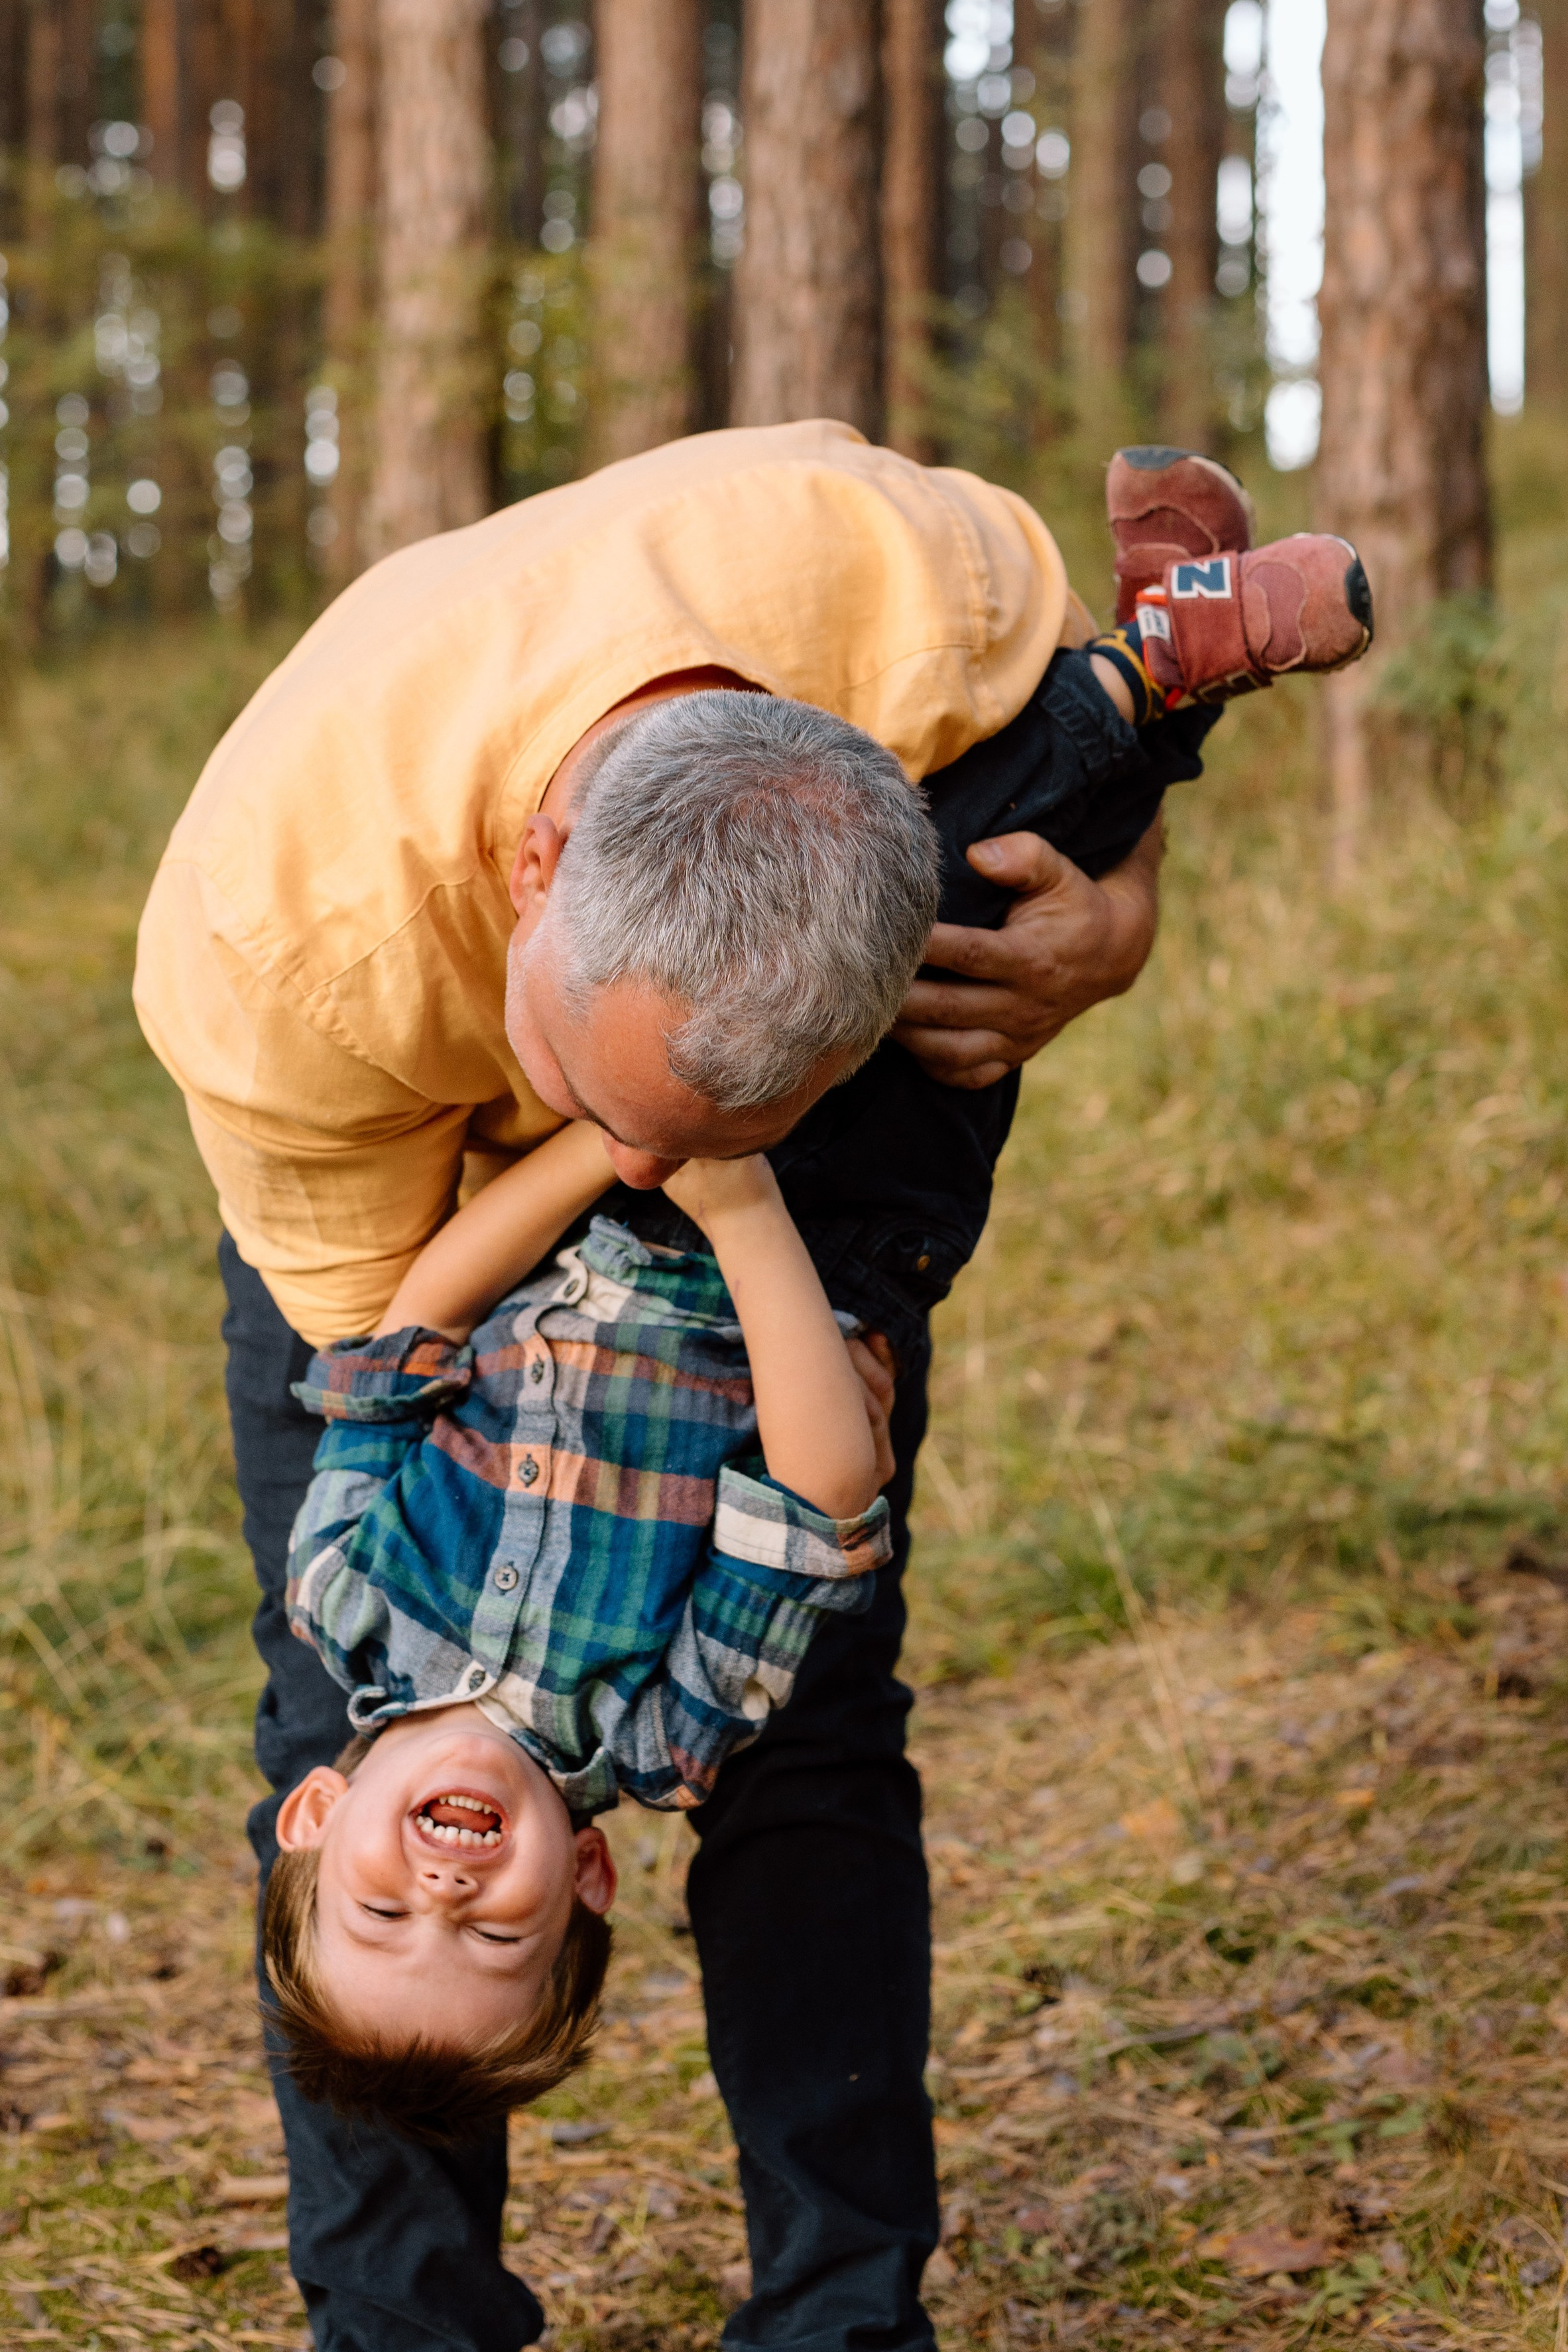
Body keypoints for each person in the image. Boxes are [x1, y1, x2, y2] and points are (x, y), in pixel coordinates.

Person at [133, 422, 1371, 2352]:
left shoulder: (902, 582)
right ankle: (401, 2323)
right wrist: (632, 1163)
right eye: (482, 1923)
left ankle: (842, 2318)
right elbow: (379, 1335)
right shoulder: (284, 940)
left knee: (817, 1727)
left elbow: (1009, 812)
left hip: (754, 1165)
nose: (444, 1887)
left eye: (403, 1909)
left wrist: (1116, 917)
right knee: (332, 1719)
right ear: (536, 877)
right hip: (413, 1190)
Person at [263, 1125, 901, 2144]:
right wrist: (736, 1203)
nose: (444, 1890)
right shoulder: (660, 1737)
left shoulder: (340, 1593)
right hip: (815, 1226)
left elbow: (415, 1330)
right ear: (588, 1880)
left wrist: (618, 1138)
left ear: (314, 1815)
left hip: (584, 1186)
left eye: (383, 1916)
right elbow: (815, 1504)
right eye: (498, 1931)